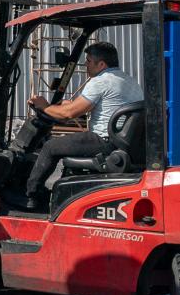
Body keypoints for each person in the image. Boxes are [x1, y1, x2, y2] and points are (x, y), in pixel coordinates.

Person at [23, 41, 144, 208]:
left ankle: (31, 197)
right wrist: (66, 106)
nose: (85, 65)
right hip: (123, 141)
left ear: (101, 64)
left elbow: (69, 114)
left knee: (51, 147)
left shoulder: (100, 81)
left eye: (88, 61)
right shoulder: (129, 80)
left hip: (104, 140)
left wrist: (44, 106)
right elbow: (81, 107)